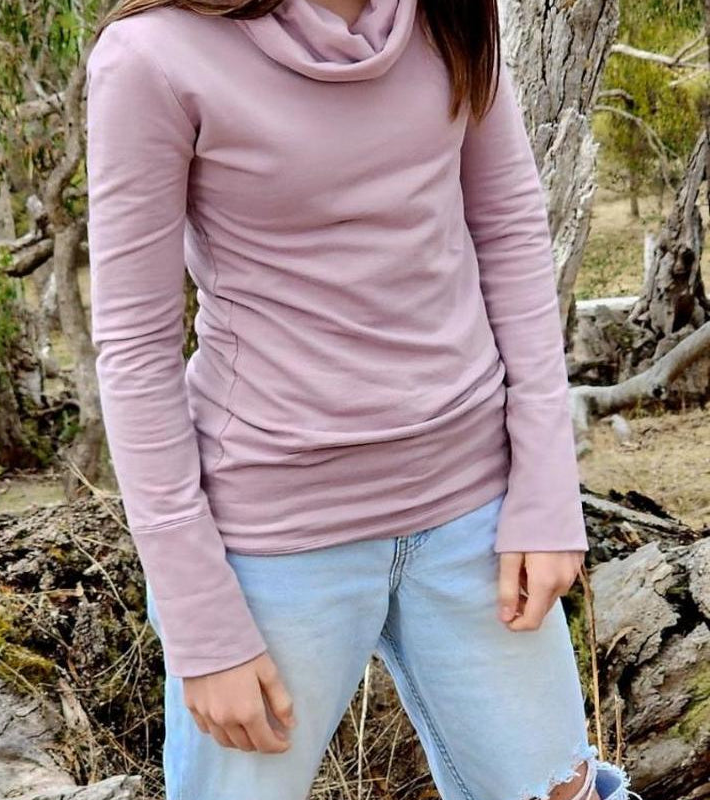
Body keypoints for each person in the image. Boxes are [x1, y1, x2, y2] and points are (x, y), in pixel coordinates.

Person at [84, 0, 642, 797]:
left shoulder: (452, 13)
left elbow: (511, 230)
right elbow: (135, 347)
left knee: (561, 789)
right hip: (274, 538)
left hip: (473, 510)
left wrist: (547, 489)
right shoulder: (151, 55)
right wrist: (199, 620)